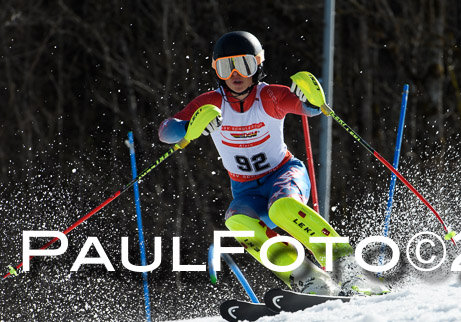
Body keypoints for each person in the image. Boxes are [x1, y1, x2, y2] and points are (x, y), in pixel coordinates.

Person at [159, 31, 387, 296]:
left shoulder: (269, 97)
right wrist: (189, 126)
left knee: (283, 208)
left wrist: (311, 99)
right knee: (236, 222)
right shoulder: (210, 103)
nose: (235, 73)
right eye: (225, 67)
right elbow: (166, 132)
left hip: (284, 174)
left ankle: (349, 269)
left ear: (258, 64)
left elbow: (310, 109)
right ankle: (309, 280)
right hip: (246, 191)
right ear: (216, 70)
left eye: (244, 64)